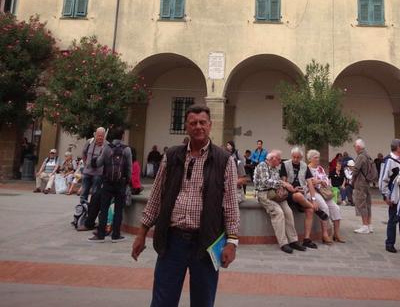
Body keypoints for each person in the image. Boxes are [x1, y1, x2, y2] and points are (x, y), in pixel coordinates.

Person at [131, 105, 239, 307]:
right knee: (163, 300)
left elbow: (231, 203)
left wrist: (232, 242)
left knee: (203, 301)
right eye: (193, 123)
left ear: (210, 125)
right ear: (186, 127)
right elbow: (155, 196)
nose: (198, 127)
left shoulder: (224, 160)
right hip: (173, 241)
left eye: (202, 123)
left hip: (206, 242)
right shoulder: (172, 156)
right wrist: (141, 233)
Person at [254, 149, 306, 254]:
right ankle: (283, 243)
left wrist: (284, 187)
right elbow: (265, 182)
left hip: (276, 195)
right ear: (273, 159)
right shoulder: (262, 165)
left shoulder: (275, 168)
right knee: (278, 213)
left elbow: (278, 181)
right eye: (279, 159)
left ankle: (293, 240)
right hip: (264, 194)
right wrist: (282, 183)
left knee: (288, 212)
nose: (280, 162)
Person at [89, 126, 132, 243]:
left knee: (104, 208)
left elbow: (99, 163)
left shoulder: (107, 148)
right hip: (120, 183)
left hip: (107, 182)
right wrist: (128, 181)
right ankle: (116, 235)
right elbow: (129, 168)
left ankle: (101, 234)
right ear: (122, 135)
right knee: (118, 210)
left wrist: (93, 161)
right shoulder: (127, 149)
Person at [280, 146, 321, 249]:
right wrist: (293, 189)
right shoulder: (285, 164)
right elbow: (284, 182)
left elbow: (310, 184)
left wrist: (314, 199)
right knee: (298, 196)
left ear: (301, 157)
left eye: (298, 157)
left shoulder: (304, 166)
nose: (295, 159)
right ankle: (316, 209)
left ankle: (306, 239)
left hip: (301, 194)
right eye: (294, 157)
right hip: (289, 193)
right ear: (291, 156)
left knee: (310, 210)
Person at [378, 139, 400, 253]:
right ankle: (390, 243)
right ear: (398, 148)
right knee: (393, 220)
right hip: (395, 196)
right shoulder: (388, 161)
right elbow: (383, 179)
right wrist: (386, 196)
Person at [307, 149, 344, 243]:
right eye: (315, 157)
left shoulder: (320, 168)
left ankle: (336, 234)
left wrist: (322, 182)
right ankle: (325, 234)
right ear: (310, 159)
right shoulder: (307, 169)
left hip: (324, 191)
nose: (317, 159)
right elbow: (311, 182)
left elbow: (326, 180)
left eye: (318, 157)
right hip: (313, 192)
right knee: (324, 208)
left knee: (336, 208)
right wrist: (320, 182)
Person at [79, 127, 107, 231]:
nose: (100, 138)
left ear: (104, 136)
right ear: (95, 135)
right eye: (98, 135)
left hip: (98, 173)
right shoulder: (89, 142)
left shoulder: (106, 144)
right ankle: (81, 213)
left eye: (101, 136)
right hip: (87, 172)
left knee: (95, 194)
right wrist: (86, 162)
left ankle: (91, 215)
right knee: (84, 192)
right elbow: (84, 153)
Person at [352, 138, 377, 234]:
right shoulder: (367, 155)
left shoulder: (360, 156)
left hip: (360, 182)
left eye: (354, 146)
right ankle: (369, 225)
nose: (354, 148)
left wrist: (352, 180)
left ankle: (365, 225)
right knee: (367, 203)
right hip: (367, 182)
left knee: (361, 203)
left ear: (358, 147)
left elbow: (356, 169)